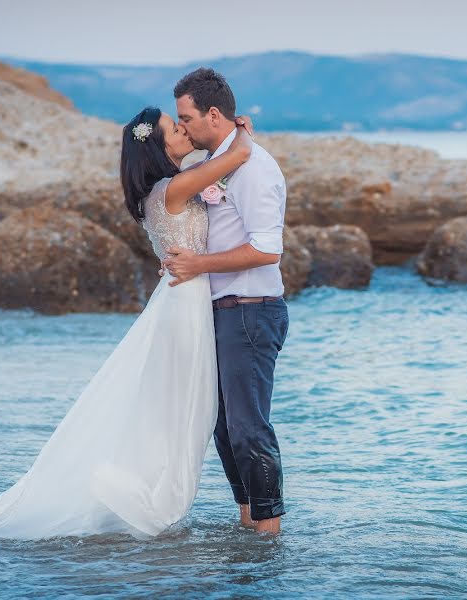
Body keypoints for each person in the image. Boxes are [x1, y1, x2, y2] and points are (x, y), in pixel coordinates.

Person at [0, 105, 259, 539]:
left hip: (181, 301)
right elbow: (237, 157)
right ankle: (151, 494)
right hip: (185, 305)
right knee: (185, 407)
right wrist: (243, 131)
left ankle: (157, 486)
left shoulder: (160, 191)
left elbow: (216, 174)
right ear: (157, 146)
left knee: (176, 407)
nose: (184, 131)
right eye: (175, 129)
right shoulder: (172, 189)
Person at [163, 68, 289, 535]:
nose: (184, 127)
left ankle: (269, 530)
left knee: (248, 426)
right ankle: (248, 521)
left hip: (251, 311)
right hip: (219, 313)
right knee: (224, 429)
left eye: (187, 117)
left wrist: (198, 265)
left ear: (214, 114)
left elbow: (266, 249)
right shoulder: (222, 162)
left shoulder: (254, 167)